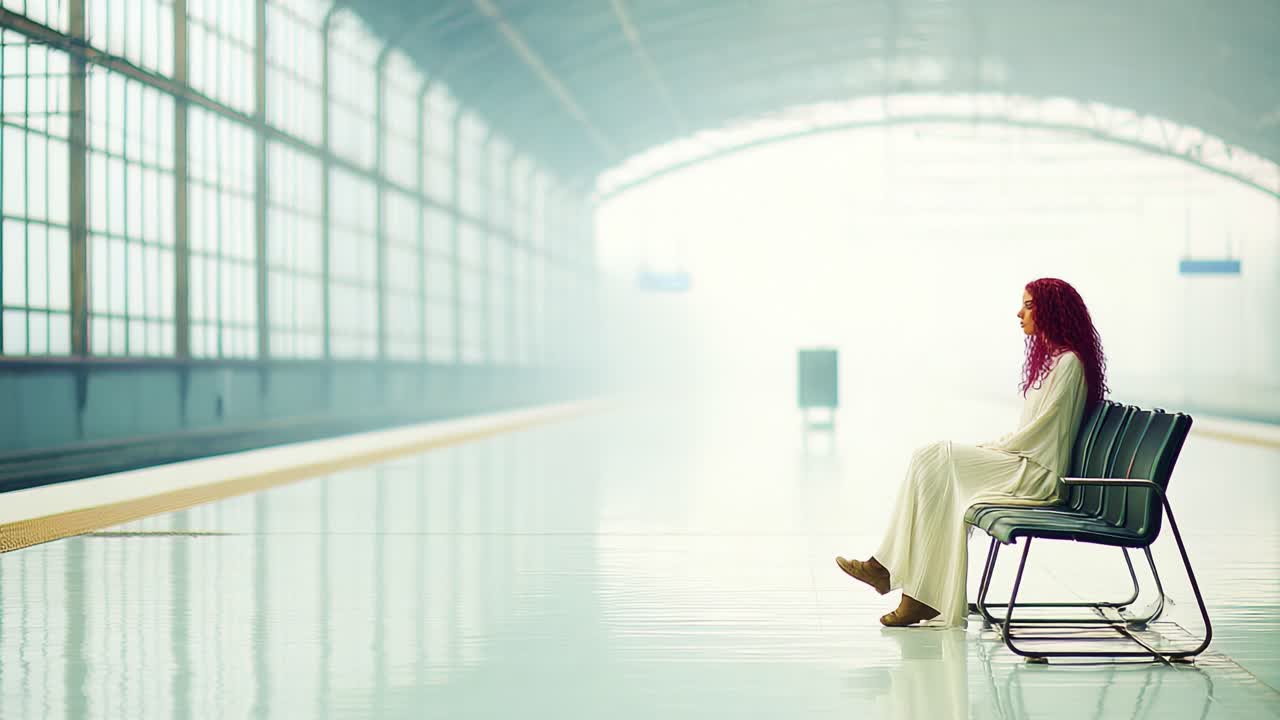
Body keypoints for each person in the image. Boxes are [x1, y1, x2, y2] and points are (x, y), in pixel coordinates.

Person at [836, 278, 1108, 627]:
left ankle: (896, 578)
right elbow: (1035, 430)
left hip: (1037, 475)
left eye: (1027, 305)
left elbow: (1042, 433)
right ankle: (911, 591)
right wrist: (996, 446)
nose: (1019, 313)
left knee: (936, 456)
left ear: (1051, 312)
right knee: (929, 461)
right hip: (1024, 461)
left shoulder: (1068, 364)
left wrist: (992, 447)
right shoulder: (1054, 362)